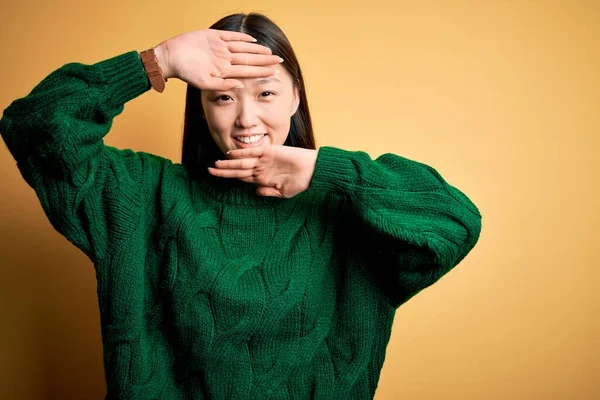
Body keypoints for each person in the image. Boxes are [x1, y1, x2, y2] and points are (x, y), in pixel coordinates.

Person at [0, 12, 482, 400]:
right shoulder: (142, 196)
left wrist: (325, 171)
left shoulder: (348, 210)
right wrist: (157, 60)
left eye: (267, 93)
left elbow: (455, 222)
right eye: (223, 97)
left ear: (296, 97)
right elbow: (34, 125)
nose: (245, 119)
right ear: (201, 106)